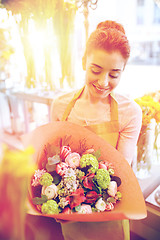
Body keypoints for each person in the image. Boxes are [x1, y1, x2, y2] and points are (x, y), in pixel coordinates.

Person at [51, 20, 142, 240]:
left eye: (114, 74)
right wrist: (56, 202)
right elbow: (52, 159)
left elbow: (120, 174)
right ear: (84, 61)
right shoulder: (60, 105)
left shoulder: (130, 112)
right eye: (96, 70)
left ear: (123, 71)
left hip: (109, 210)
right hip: (70, 212)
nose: (103, 82)